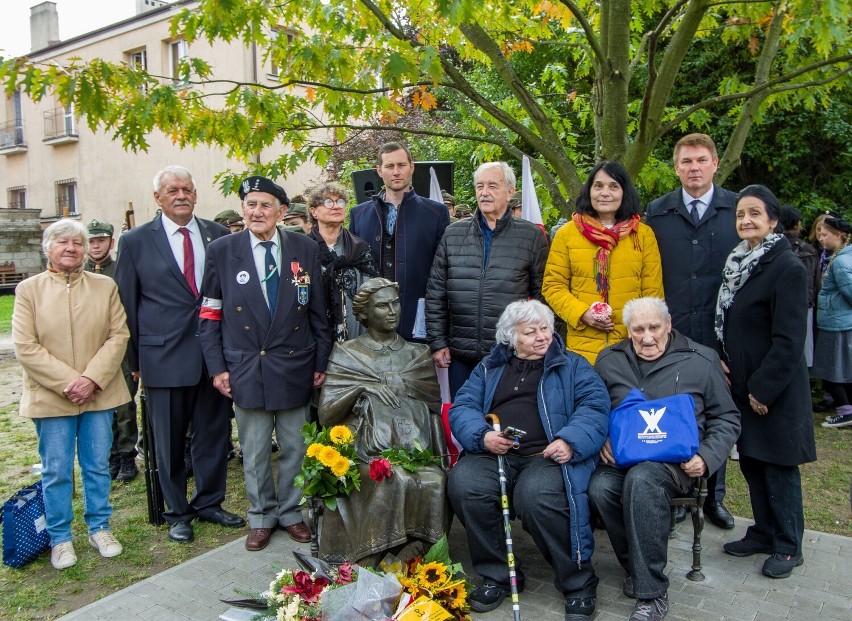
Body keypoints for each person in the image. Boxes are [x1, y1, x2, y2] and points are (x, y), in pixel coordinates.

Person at [448, 299, 609, 620]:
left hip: (547, 455)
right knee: (465, 484)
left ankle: (577, 581)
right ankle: (499, 574)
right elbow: (463, 406)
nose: (541, 337)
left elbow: (595, 407)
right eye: (530, 331)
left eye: (545, 328)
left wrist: (570, 440)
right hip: (497, 452)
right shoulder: (489, 368)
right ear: (511, 338)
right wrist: (483, 437)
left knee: (535, 497)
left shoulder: (572, 365)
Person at [199, 175, 331, 551]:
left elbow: (317, 309)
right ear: (243, 209)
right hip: (246, 364)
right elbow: (209, 314)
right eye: (251, 205)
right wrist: (217, 367)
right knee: (255, 448)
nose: (257, 212)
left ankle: (290, 512)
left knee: (294, 445)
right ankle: (260, 515)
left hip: (295, 362)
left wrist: (320, 358)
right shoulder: (223, 250)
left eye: (265, 205)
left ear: (282, 211)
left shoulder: (304, 248)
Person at [115, 165, 245, 544]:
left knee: (213, 434)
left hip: (213, 357)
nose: (180, 195)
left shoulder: (218, 235)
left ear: (196, 193)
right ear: (158, 198)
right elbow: (127, 302)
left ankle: (209, 502)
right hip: (162, 357)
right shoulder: (136, 241)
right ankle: (177, 511)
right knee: (168, 442)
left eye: (186, 188)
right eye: (172, 190)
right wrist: (134, 363)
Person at [590, 297, 740, 621]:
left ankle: (652, 595)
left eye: (654, 327)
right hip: (624, 457)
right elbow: (591, 409)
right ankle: (637, 565)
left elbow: (727, 418)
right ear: (627, 330)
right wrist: (601, 436)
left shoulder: (702, 359)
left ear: (668, 325)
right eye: (638, 329)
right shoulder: (608, 361)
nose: (647, 337)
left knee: (642, 480)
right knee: (600, 487)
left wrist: (706, 456)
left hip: (677, 463)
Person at [13, 219, 131, 570]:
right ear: (47, 248)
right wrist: (69, 382)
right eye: (63, 242)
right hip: (52, 396)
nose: (72, 248)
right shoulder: (29, 290)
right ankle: (60, 537)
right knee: (57, 470)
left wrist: (91, 379)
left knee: (97, 465)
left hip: (98, 393)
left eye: (77, 243)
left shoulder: (104, 286)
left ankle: (100, 527)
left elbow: (118, 335)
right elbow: (25, 346)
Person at [715, 184, 815, 579]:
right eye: (740, 214)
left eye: (754, 213)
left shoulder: (785, 266)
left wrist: (763, 388)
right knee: (753, 462)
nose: (745, 220)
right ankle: (763, 531)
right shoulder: (740, 262)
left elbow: (790, 339)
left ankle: (789, 545)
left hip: (774, 390)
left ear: (773, 220)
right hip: (743, 386)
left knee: (778, 465)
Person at [645, 133, 741, 530]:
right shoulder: (658, 211)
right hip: (674, 336)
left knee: (715, 415)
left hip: (722, 337)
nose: (694, 168)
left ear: (716, 163)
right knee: (677, 415)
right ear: (676, 167)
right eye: (686, 161)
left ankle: (714, 496)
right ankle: (680, 494)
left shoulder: (735, 209)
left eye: (701, 160)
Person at [317, 278, 449, 564]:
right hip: (362, 449)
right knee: (392, 478)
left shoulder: (418, 354)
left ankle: (427, 560)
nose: (392, 311)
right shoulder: (348, 353)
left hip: (414, 446)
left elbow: (433, 409)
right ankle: (371, 559)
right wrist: (361, 389)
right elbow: (326, 414)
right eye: (382, 306)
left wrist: (439, 457)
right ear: (364, 314)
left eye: (395, 303)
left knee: (435, 480)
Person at [426, 161, 549, 398]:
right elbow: (436, 293)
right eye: (480, 186)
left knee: (504, 424)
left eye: (493, 186)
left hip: (511, 352)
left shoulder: (531, 236)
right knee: (464, 423)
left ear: (510, 192)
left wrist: (536, 339)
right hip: (461, 354)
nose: (484, 192)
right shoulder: (453, 234)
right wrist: (438, 342)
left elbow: (542, 296)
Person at [543, 160, 663, 365]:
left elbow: (654, 295)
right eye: (598, 186)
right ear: (589, 191)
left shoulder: (642, 235)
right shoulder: (567, 234)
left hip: (631, 349)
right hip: (582, 351)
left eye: (613, 186)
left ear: (624, 192)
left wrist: (644, 333)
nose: (605, 192)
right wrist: (583, 314)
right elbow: (553, 286)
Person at [349, 142, 450, 341]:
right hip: (372, 322)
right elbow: (354, 271)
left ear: (412, 167)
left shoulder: (436, 212)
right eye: (389, 166)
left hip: (418, 317)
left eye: (401, 165)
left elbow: (443, 271)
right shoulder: (359, 214)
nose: (396, 172)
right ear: (379, 170)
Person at [84, 219, 139, 483]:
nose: (96, 246)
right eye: (92, 241)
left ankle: (127, 454)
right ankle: (110, 454)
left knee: (123, 404)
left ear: (111, 242)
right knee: (98, 405)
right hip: (91, 349)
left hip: (122, 348)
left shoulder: (121, 269)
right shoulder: (80, 271)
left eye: (101, 240)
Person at [306, 182, 379, 341]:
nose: (336, 206)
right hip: (314, 337)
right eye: (328, 202)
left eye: (340, 202)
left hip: (356, 338)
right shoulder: (303, 250)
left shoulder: (360, 249)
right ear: (314, 211)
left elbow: (373, 297)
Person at [812, 217, 852, 428]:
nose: (821, 238)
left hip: (836, 324)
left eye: (825, 234)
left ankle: (845, 412)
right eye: (820, 233)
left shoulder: (840, 263)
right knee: (842, 369)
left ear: (838, 236)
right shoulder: (840, 257)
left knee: (830, 371)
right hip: (837, 321)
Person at [779, 205, 820, 366]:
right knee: (802, 356)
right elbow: (816, 284)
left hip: (777, 307)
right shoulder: (809, 249)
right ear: (797, 224)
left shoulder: (771, 248)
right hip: (805, 306)